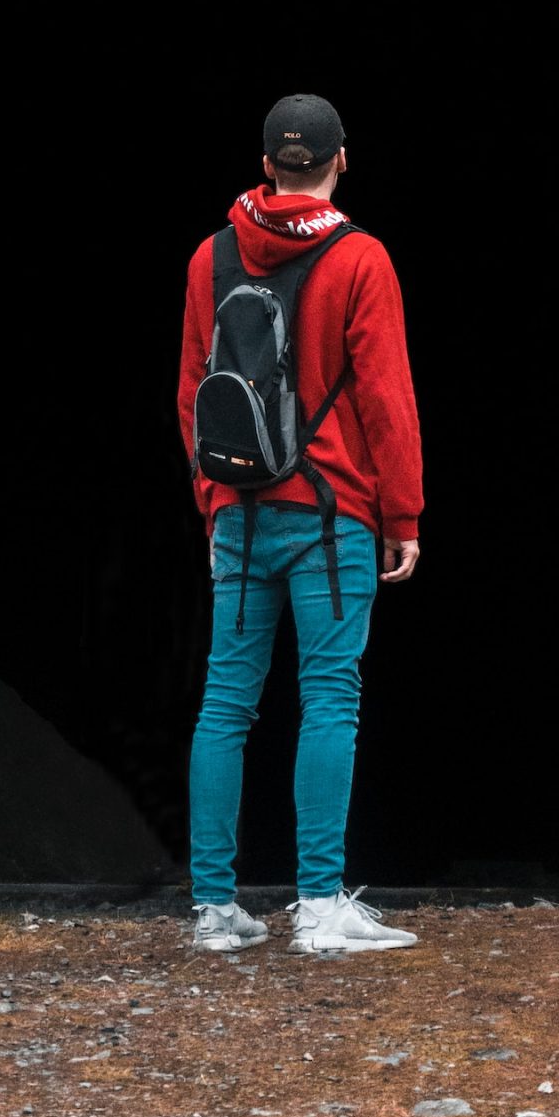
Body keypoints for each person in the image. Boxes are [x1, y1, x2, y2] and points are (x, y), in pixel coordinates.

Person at [177, 93, 424, 954]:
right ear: (340, 160)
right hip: (331, 517)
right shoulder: (360, 259)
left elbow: (189, 397)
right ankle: (319, 906)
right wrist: (403, 513)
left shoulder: (209, 258)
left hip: (238, 515)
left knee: (224, 705)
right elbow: (385, 399)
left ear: (265, 165)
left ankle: (215, 911)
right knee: (328, 699)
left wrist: (213, 503)